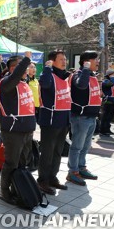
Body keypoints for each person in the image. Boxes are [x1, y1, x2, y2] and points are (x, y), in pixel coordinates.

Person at [0, 52, 35, 205]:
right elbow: (13, 77)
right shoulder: (6, 83)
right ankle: (4, 191)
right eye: (24, 66)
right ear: (14, 68)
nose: (27, 69)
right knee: (11, 163)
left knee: (22, 163)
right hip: (13, 131)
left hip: (27, 130)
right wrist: (25, 60)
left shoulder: (24, 83)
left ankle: (17, 189)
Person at [37, 50, 71, 195]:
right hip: (50, 121)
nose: (64, 61)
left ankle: (52, 177)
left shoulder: (66, 77)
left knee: (58, 151)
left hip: (64, 120)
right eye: (61, 59)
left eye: (65, 59)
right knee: (47, 152)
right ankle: (42, 180)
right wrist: (47, 67)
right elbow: (44, 85)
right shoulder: (48, 75)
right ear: (52, 61)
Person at [66, 51, 100, 186]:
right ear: (86, 61)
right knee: (77, 146)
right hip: (81, 117)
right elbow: (81, 85)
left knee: (86, 146)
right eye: (95, 60)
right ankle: (72, 172)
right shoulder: (78, 75)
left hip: (91, 117)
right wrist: (85, 69)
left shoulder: (92, 76)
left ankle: (81, 167)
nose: (98, 62)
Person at [100, 69, 114, 135]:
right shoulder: (105, 81)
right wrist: (112, 78)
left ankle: (107, 129)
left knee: (110, 117)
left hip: (113, 101)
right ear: (110, 75)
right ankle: (103, 130)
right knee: (106, 116)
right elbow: (110, 84)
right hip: (108, 101)